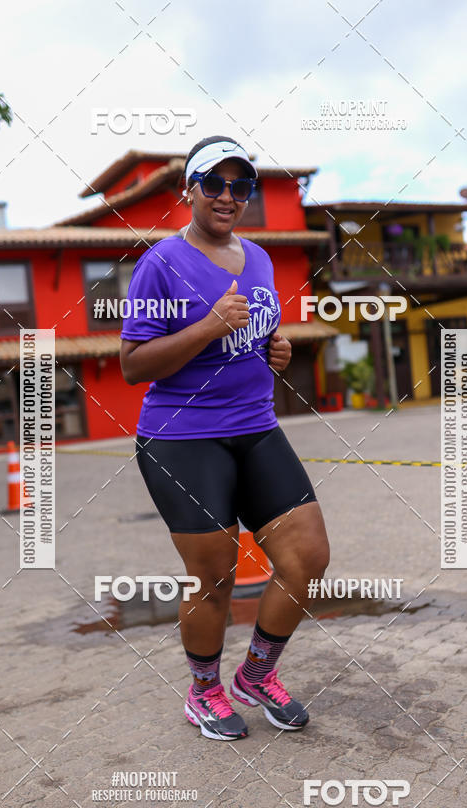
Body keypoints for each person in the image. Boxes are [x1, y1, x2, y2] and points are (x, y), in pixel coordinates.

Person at [120, 135, 329, 740]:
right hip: (182, 436)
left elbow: (256, 334)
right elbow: (134, 365)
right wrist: (210, 327)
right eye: (214, 183)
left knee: (307, 555)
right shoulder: (160, 263)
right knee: (215, 576)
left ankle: (256, 674)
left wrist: (276, 350)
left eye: (241, 186)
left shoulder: (260, 259)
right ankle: (204, 690)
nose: (228, 196)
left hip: (256, 426)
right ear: (189, 191)